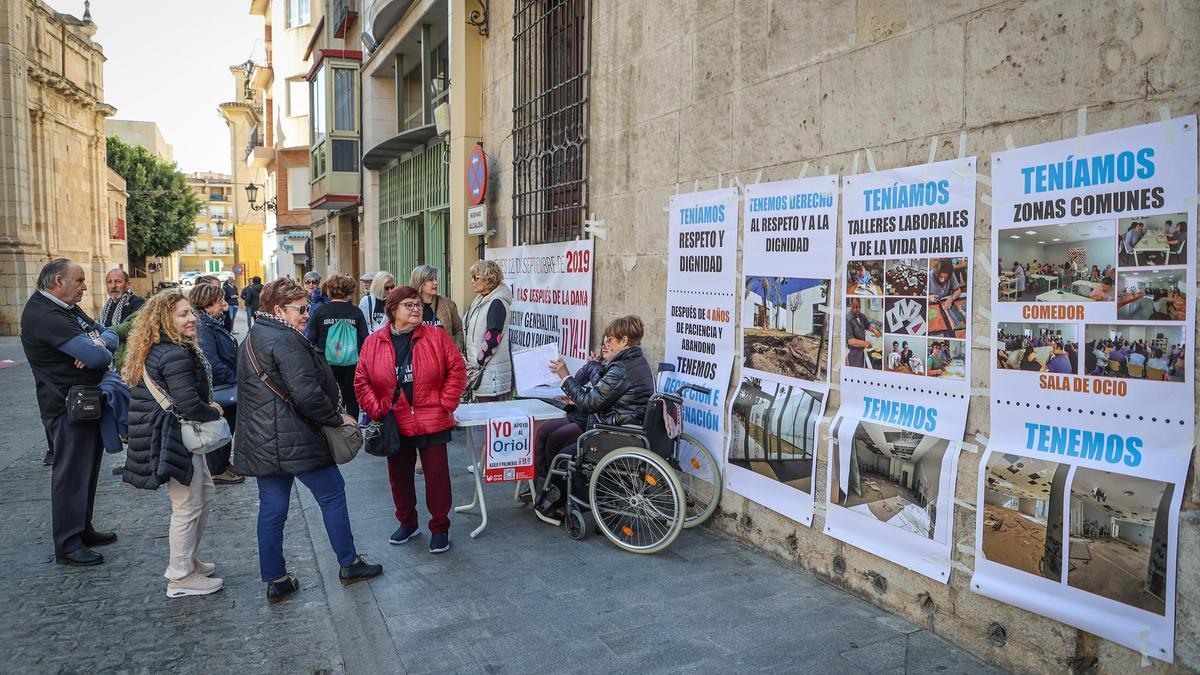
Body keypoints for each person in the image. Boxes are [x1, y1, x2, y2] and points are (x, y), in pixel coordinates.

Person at [235, 278, 381, 603]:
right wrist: (336, 417)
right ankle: (349, 563)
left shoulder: (252, 336)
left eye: (307, 307)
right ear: (279, 309)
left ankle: (276, 579)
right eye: (301, 309)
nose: (306, 314)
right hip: (295, 438)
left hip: (262, 440)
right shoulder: (285, 340)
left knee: (272, 510)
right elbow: (307, 393)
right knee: (332, 495)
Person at [121, 291, 226, 598]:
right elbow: (189, 404)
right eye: (182, 315)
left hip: (172, 434)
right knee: (187, 505)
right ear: (164, 320)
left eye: (190, 312)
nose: (191, 318)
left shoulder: (163, 348)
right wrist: (214, 411)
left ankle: (189, 561)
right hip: (174, 435)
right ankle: (179, 576)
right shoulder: (173, 353)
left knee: (203, 495)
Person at [21, 259, 119, 565]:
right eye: (79, 281)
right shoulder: (44, 314)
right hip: (65, 406)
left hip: (84, 402)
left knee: (86, 470)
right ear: (58, 281)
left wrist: (99, 341)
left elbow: (109, 334)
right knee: (70, 474)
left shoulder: (66, 309)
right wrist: (95, 348)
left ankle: (81, 528)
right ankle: (67, 542)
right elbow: (95, 357)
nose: (85, 287)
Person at [355, 286, 467, 554]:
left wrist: (446, 403)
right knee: (399, 478)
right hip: (395, 421)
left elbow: (457, 369)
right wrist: (378, 408)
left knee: (437, 478)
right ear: (393, 310)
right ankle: (408, 523)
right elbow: (362, 380)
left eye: (417, 304)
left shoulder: (436, 336)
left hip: (432, 419)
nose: (416, 309)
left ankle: (440, 528)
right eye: (409, 305)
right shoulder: (374, 342)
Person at [538, 316, 655, 523]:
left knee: (563, 452)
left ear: (625, 341)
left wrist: (565, 376)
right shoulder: (638, 362)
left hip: (615, 434)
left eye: (611, 339)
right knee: (555, 437)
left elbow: (590, 403)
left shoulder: (621, 368)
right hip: (628, 429)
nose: (606, 343)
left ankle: (558, 502)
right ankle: (555, 497)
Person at [190, 284, 243, 485]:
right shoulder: (203, 326)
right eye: (219, 302)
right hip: (220, 387)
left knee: (226, 427)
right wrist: (234, 377)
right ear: (207, 304)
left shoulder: (212, 322)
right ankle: (216, 469)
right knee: (221, 427)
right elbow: (211, 361)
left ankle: (221, 464)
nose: (224, 305)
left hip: (224, 383)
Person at [307, 275, 369, 419]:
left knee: (329, 398)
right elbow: (365, 339)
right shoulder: (356, 312)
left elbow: (310, 339)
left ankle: (333, 429)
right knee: (352, 399)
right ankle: (352, 430)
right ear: (351, 292)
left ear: (329, 291)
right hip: (352, 365)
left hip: (326, 365)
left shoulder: (320, 311)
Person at [463, 260, 513, 401]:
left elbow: (493, 339)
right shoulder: (480, 299)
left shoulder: (496, 303)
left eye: (476, 278)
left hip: (490, 374)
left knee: (489, 419)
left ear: (488, 279)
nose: (472, 281)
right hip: (481, 371)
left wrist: (478, 363)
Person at [410, 265, 464, 351]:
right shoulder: (410, 306)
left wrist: (455, 349)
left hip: (444, 358)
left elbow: (459, 330)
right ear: (420, 283)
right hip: (419, 358)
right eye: (431, 280)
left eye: (436, 279)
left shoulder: (448, 304)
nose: (435, 283)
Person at [844, 298, 881, 368]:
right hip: (854, 353)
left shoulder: (862, 315)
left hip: (862, 350)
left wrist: (874, 330)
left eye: (859, 307)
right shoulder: (847, 319)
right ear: (851, 305)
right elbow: (851, 341)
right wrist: (866, 343)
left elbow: (868, 326)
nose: (858, 309)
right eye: (856, 307)